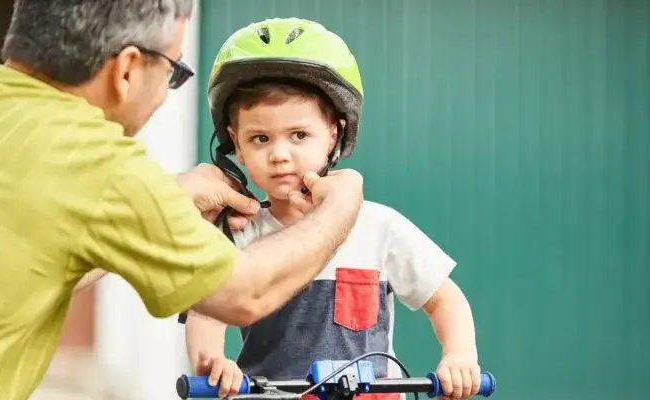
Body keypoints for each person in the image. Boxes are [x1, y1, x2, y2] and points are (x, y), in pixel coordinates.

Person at [0, 2, 365, 399]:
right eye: (173, 72)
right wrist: (340, 209)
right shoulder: (98, 162)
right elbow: (244, 294)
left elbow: (10, 260)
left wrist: (165, 200)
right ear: (128, 68)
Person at [183, 18, 482, 400]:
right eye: (259, 138)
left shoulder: (377, 226)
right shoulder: (240, 232)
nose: (279, 154)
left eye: (299, 135)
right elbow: (207, 311)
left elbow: (444, 298)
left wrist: (459, 355)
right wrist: (213, 362)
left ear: (334, 135)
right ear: (234, 146)